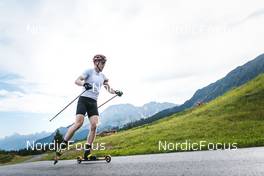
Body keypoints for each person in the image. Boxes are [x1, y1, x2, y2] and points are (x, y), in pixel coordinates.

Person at [54, 54, 123, 165]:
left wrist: (115, 92)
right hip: (83, 100)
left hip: (93, 102)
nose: (104, 65)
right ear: (96, 63)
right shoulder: (89, 71)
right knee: (78, 123)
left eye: (104, 63)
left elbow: (108, 88)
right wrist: (84, 84)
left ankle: (87, 151)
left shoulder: (103, 76)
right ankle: (62, 146)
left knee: (94, 125)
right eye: (102, 63)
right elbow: (77, 80)